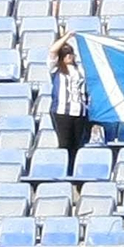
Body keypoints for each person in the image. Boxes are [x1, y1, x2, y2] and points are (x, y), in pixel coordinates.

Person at [49, 33, 91, 172]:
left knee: (77, 145)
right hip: (62, 112)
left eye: (70, 53)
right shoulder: (56, 68)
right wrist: (67, 36)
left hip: (80, 111)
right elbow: (53, 50)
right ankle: (65, 171)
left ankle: (74, 170)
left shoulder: (80, 69)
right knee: (65, 144)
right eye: (66, 53)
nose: (69, 56)